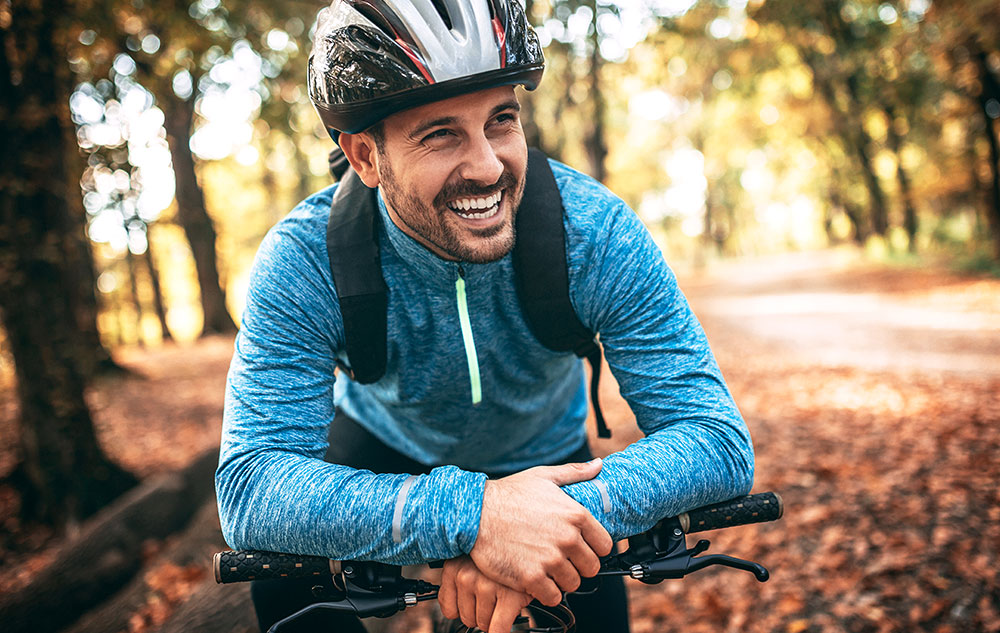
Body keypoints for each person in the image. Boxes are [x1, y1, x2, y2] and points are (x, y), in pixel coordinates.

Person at [215, 1, 754, 632]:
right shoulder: (308, 258)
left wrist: (544, 516)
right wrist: (475, 517)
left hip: (553, 462)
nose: (488, 166)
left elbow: (716, 438)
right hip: (384, 450)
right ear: (364, 157)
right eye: (440, 134)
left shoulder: (594, 232)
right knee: (286, 595)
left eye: (501, 121)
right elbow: (254, 485)